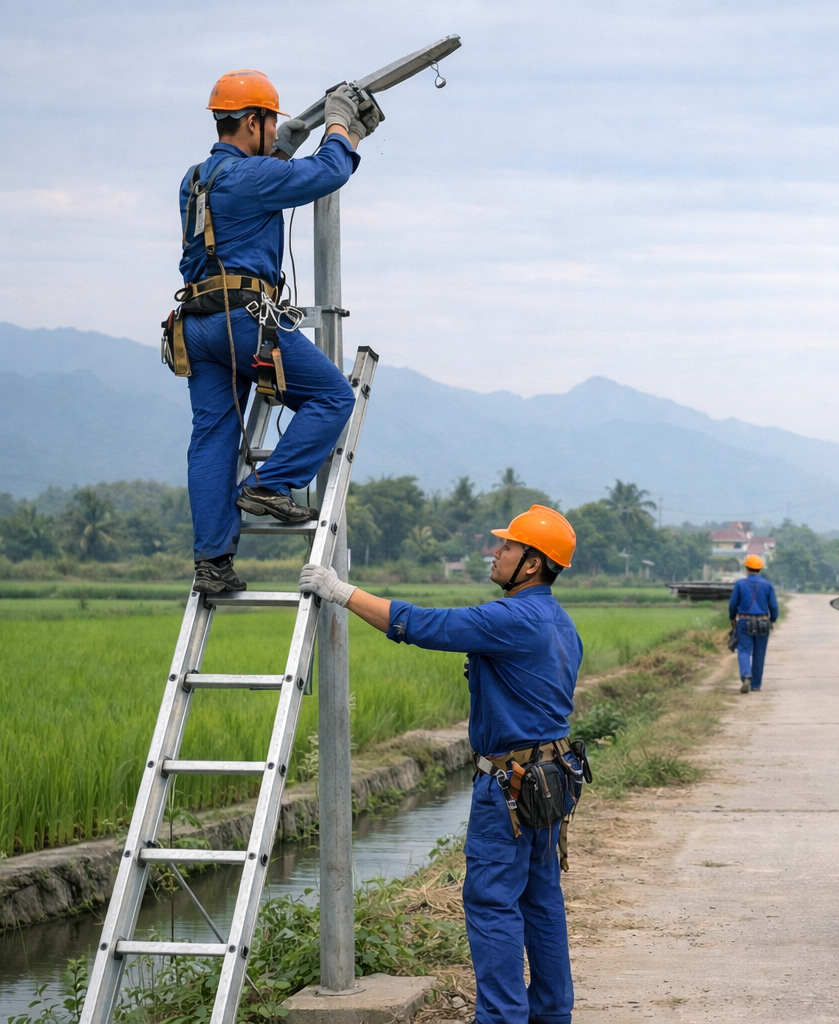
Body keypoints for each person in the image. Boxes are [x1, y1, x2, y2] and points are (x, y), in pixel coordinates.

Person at [299, 505, 587, 1024]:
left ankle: (501, 1018)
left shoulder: (513, 618)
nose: (495, 552)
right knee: (541, 901)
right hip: (552, 780)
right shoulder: (560, 622)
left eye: (507, 547)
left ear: (532, 564)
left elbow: (428, 626)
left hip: (511, 788)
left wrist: (342, 593)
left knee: (492, 902)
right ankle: (551, 1014)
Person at [176, 70, 383, 594]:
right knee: (335, 396)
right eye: (270, 122)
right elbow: (327, 174)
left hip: (197, 324)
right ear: (252, 121)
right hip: (242, 321)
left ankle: (213, 565)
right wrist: (341, 129)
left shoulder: (196, 178)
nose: (275, 129)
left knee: (214, 439)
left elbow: (251, 195)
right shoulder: (250, 179)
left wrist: (280, 153)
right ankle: (268, 485)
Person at [729, 553, 778, 693]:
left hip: (744, 621)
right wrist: (772, 620)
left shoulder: (740, 584)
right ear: (760, 569)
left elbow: (733, 604)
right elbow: (773, 606)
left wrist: (732, 618)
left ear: (746, 568)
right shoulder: (768, 585)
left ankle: (746, 676)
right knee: (759, 653)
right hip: (763, 622)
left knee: (744, 650)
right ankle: (756, 685)